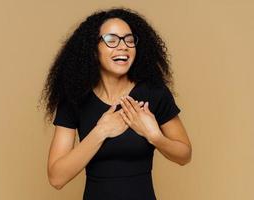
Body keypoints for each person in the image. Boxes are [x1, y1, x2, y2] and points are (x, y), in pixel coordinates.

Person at [40, 7, 192, 200]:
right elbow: (56, 178)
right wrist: (101, 131)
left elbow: (184, 155)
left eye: (129, 40)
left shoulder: (154, 93)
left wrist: (154, 136)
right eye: (111, 40)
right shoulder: (75, 98)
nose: (123, 46)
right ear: (93, 49)